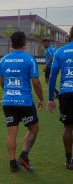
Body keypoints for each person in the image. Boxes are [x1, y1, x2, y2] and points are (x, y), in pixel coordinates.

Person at [0, 31, 44, 172]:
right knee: (34, 128)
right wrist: (42, 99)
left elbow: (2, 82)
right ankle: (24, 155)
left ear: (11, 43)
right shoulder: (29, 59)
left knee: (12, 133)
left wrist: (9, 92)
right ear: (24, 43)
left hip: (8, 101)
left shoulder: (4, 60)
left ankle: (12, 163)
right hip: (24, 102)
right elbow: (36, 83)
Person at [48, 26, 73, 170]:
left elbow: (52, 77)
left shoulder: (61, 51)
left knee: (68, 126)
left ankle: (68, 160)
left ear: (69, 36)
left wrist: (51, 98)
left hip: (66, 92)